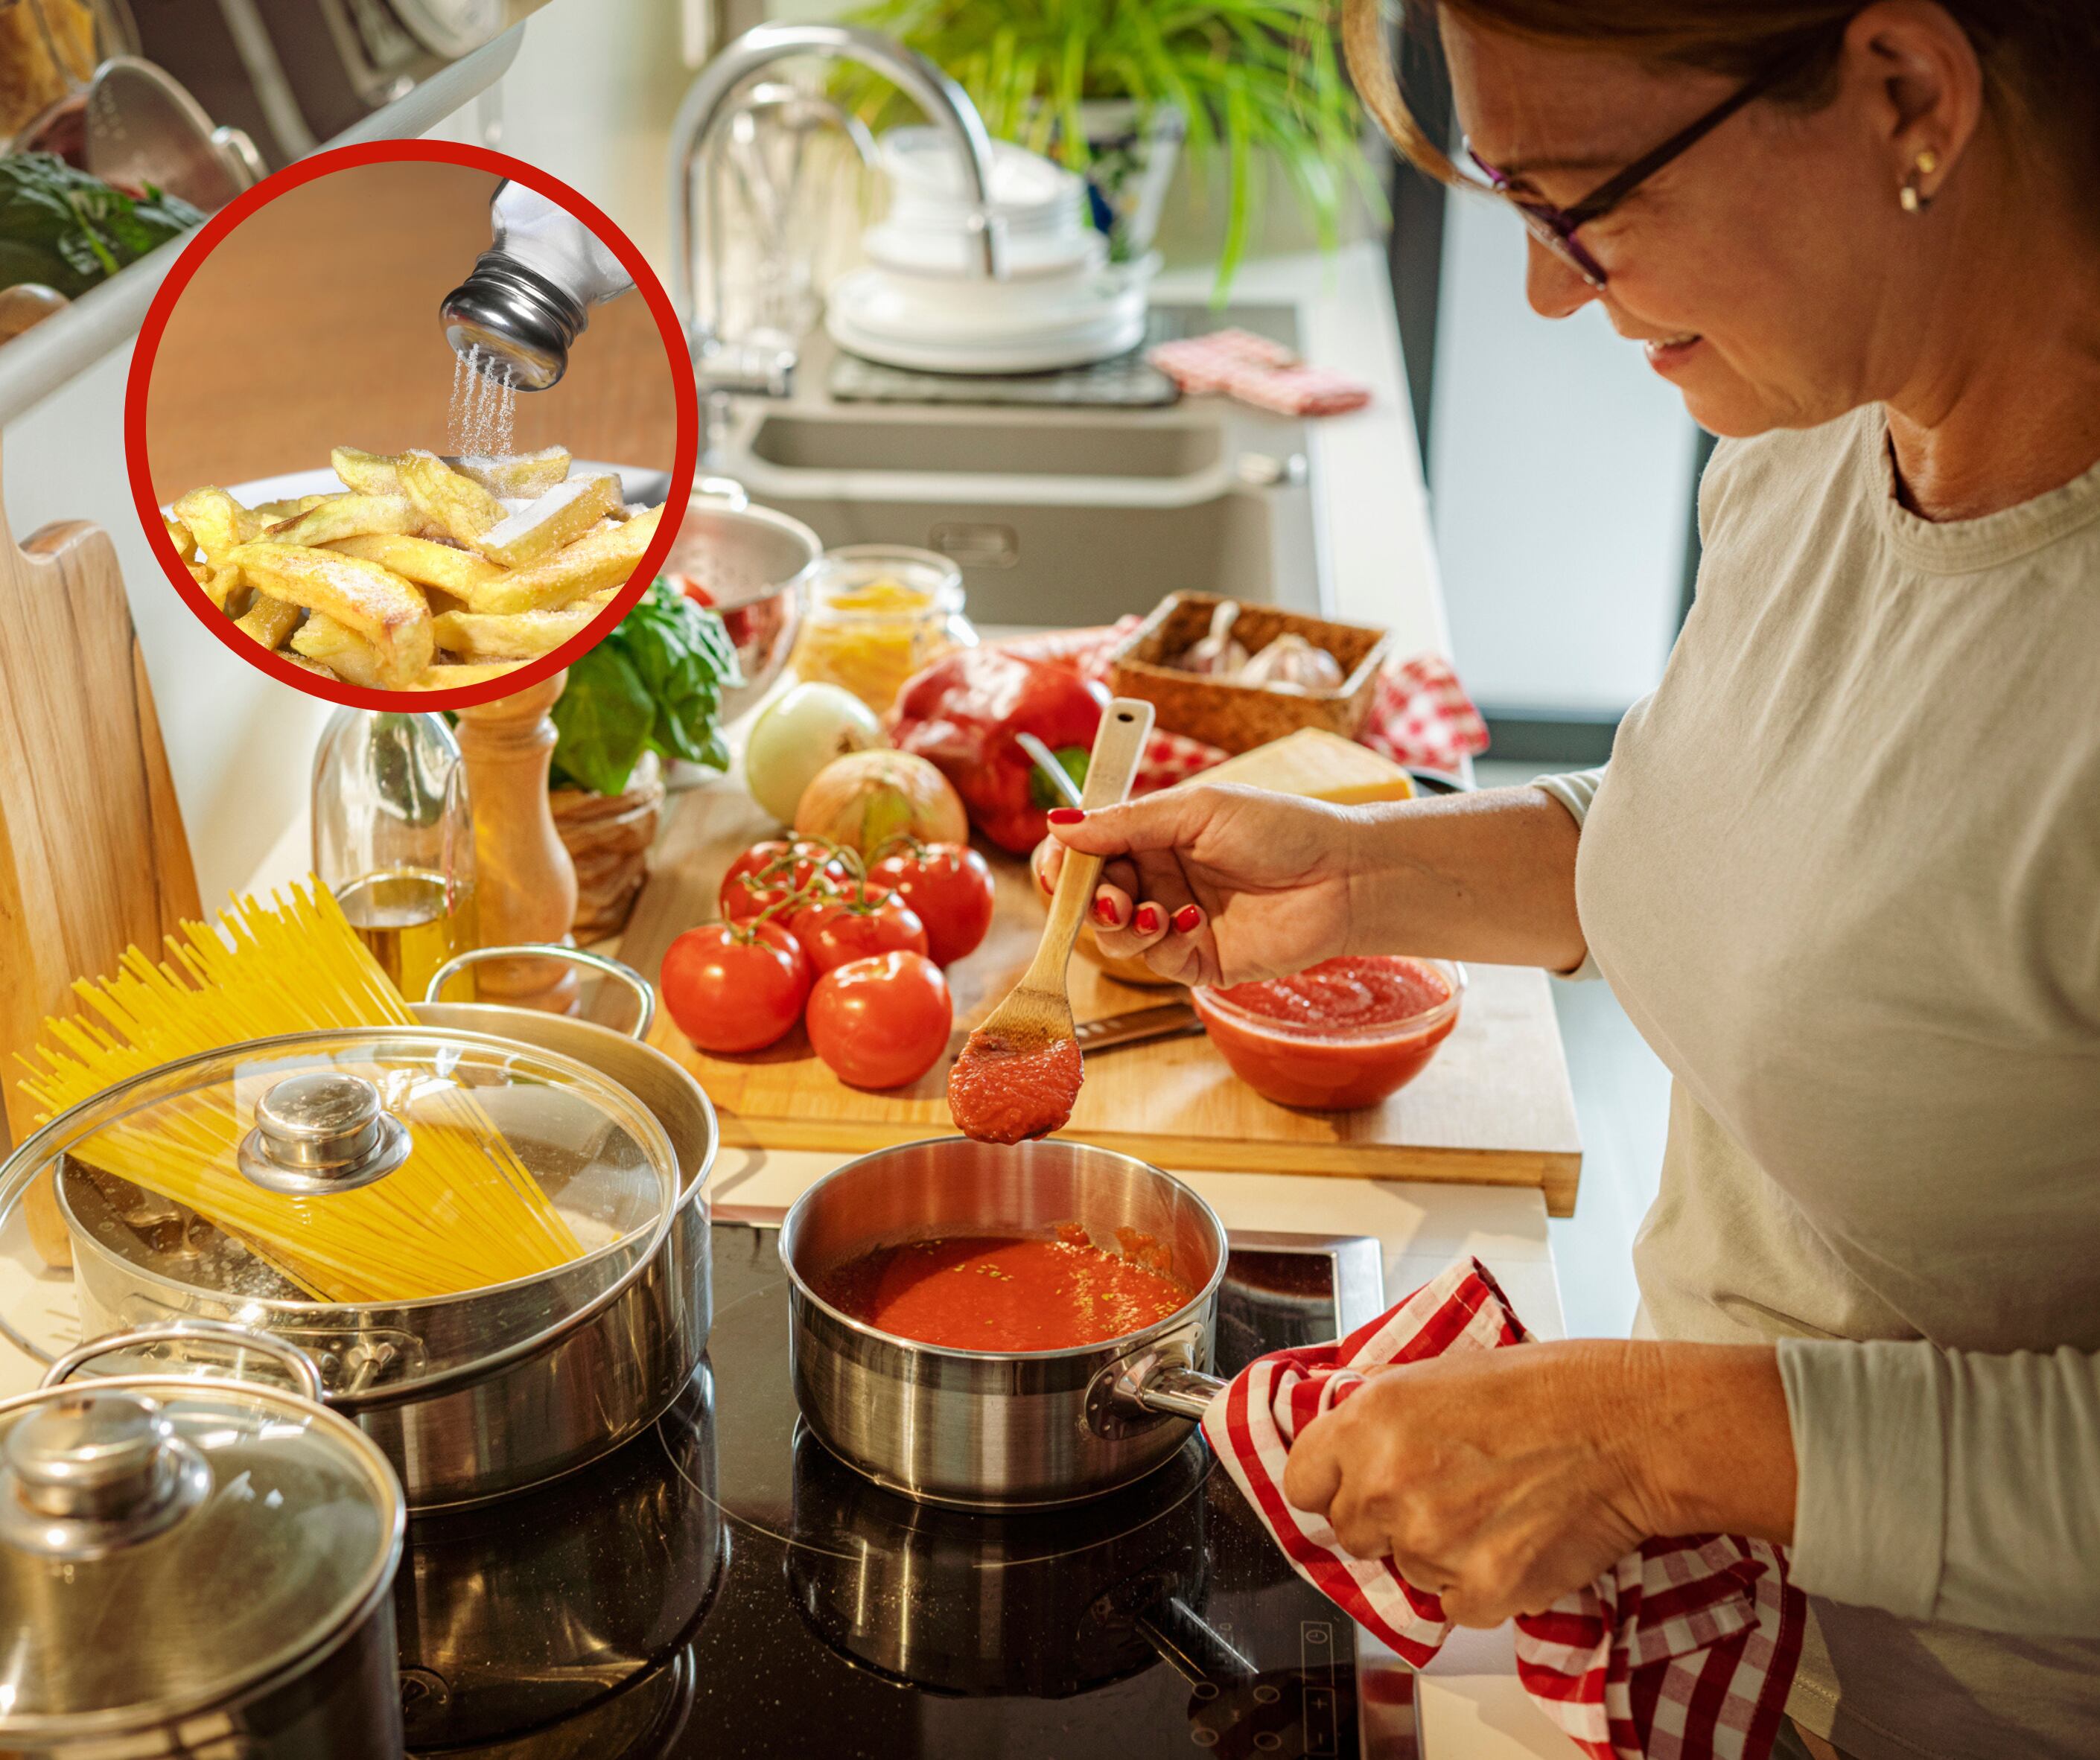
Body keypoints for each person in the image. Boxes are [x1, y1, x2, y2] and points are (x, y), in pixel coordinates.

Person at [1040, 4, 2100, 1756]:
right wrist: (1370, 879)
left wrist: (1647, 1439)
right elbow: (1787, 827)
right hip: (1715, 1645)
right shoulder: (1822, 433)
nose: (1546, 294)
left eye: (1580, 206)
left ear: (1905, 98)